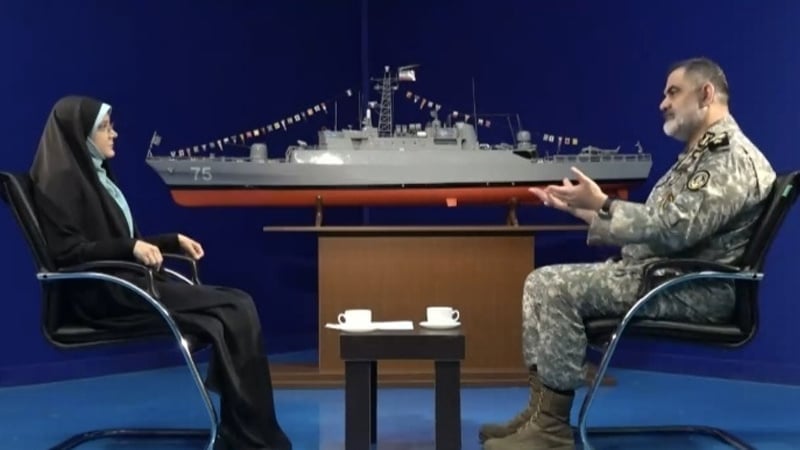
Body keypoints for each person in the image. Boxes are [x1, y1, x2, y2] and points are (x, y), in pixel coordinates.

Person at [479, 57, 776, 450]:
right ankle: (540, 412)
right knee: (540, 281)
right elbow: (657, 229)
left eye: (673, 92)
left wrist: (604, 203)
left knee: (554, 287)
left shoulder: (729, 158)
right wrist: (583, 211)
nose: (662, 103)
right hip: (668, 278)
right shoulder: (701, 155)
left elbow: (672, 230)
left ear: (706, 94)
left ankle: (551, 429)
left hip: (693, 290)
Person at [29, 95, 293, 450]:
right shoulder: (60, 182)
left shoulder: (95, 175)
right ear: (81, 134)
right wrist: (130, 249)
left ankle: (244, 429)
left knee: (230, 310)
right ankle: (251, 435)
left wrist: (171, 241)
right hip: (106, 294)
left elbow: (120, 241)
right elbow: (68, 253)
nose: (114, 134)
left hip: (130, 281)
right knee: (235, 305)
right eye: (104, 128)